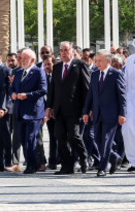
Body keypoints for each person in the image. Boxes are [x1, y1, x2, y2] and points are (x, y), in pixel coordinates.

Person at [46, 41, 91, 175]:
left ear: (72, 51)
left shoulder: (80, 65)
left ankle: (84, 158)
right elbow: (52, 88)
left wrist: (87, 109)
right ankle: (67, 165)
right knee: (60, 137)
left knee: (74, 136)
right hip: (59, 109)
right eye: (61, 50)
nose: (64, 53)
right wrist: (49, 107)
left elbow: (86, 88)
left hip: (75, 109)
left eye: (66, 50)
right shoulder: (58, 67)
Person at [82, 50, 127, 177]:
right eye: (96, 61)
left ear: (107, 61)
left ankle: (102, 168)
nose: (97, 63)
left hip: (111, 114)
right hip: (97, 114)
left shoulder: (116, 74)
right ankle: (115, 157)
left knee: (106, 140)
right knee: (97, 139)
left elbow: (122, 96)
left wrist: (122, 113)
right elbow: (90, 94)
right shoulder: (95, 74)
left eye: (99, 61)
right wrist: (86, 111)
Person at [10, 48, 47, 174]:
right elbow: (12, 88)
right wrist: (13, 94)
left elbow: (43, 90)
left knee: (30, 139)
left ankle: (31, 164)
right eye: (21, 58)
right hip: (20, 111)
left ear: (32, 60)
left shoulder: (38, 72)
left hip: (33, 112)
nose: (22, 61)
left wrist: (27, 95)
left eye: (25, 58)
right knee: (22, 138)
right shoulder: (19, 73)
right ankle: (32, 162)